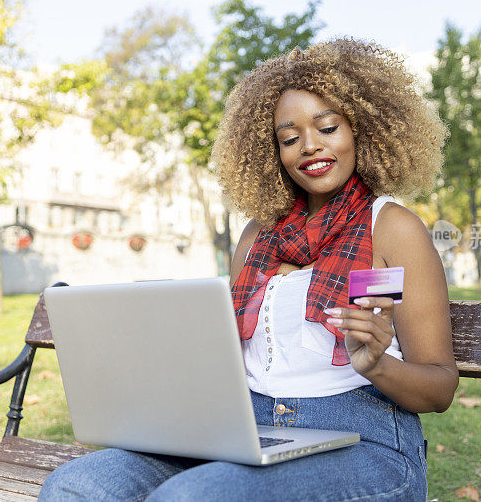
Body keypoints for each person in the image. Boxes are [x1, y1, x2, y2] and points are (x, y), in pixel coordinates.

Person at [39, 38, 457, 501]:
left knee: (194, 497)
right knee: (75, 486)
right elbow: (229, 359)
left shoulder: (393, 227)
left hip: (365, 441)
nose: (310, 147)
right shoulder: (258, 237)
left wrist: (378, 365)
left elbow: (439, 388)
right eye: (289, 138)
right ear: (271, 152)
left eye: (328, 127)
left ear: (361, 128)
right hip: (249, 431)